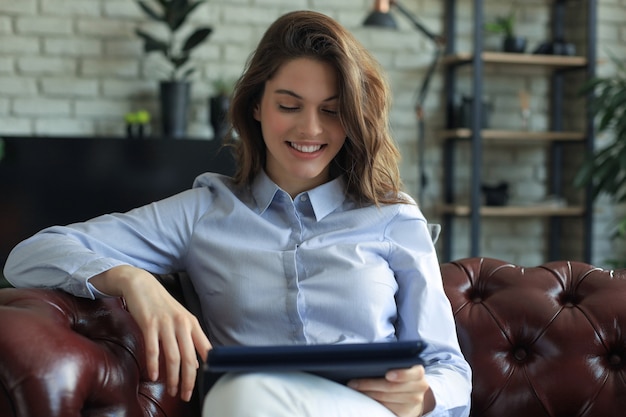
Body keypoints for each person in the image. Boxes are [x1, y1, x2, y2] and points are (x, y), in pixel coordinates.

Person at [4, 10, 471, 417]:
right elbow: (28, 255)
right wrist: (131, 279)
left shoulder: (392, 217)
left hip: (363, 409)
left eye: (332, 111)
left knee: (241, 398)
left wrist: (424, 395)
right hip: (246, 404)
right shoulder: (204, 212)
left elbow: (451, 371)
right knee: (242, 395)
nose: (310, 129)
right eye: (289, 106)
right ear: (255, 107)